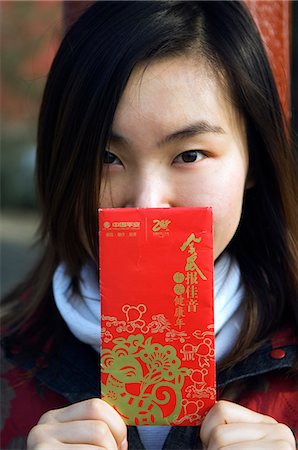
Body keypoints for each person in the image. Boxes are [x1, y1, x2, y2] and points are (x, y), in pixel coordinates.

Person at [1, 1, 297, 449]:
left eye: (189, 155)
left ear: (253, 160)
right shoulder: (8, 364)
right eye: (107, 158)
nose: (147, 205)